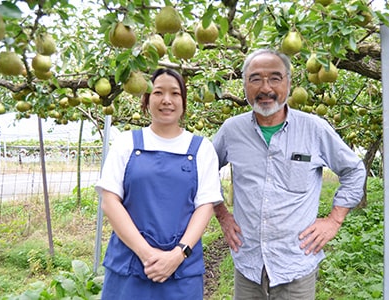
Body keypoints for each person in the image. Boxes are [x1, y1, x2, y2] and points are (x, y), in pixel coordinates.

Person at [212, 49, 366, 299]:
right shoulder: (231, 131)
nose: (266, 88)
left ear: (288, 83)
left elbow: (353, 170)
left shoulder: (313, 128)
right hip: (248, 265)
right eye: (255, 79)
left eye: (275, 78)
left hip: (295, 265)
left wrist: (334, 220)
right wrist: (222, 214)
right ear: (244, 86)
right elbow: (204, 171)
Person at [95, 68, 223, 299]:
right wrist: (146, 254)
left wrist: (177, 255)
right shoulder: (126, 144)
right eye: (158, 93)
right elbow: (110, 201)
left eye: (175, 93)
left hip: (182, 270)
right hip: (130, 265)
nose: (166, 100)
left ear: (183, 101)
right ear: (146, 100)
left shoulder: (202, 148)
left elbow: (205, 206)